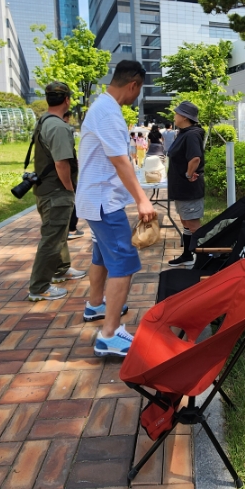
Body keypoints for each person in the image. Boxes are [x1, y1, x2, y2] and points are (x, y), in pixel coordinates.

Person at [76, 60, 157, 357]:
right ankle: (109, 335)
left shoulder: (101, 107)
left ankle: (95, 304)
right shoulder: (109, 113)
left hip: (95, 200)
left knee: (101, 255)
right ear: (133, 84)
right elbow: (120, 161)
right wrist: (142, 199)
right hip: (103, 202)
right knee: (124, 262)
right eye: (139, 90)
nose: (137, 96)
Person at [26, 82, 85, 302]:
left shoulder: (44, 120)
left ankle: (61, 270)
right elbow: (62, 163)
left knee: (58, 233)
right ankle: (39, 287)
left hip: (45, 188)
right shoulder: (59, 127)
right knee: (52, 238)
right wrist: (70, 189)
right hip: (56, 191)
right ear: (67, 100)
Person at [166, 101, 205, 266]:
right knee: (185, 222)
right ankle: (187, 254)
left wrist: (189, 174)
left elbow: (195, 158)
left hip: (189, 188)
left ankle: (205, 257)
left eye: (176, 113)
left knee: (193, 224)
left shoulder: (191, 135)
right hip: (181, 189)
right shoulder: (184, 133)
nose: (174, 116)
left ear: (184, 117)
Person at [62, 110, 84, 241]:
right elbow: (62, 162)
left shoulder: (47, 126)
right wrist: (69, 186)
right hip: (67, 176)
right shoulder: (62, 130)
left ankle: (69, 229)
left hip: (62, 176)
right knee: (71, 201)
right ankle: (71, 229)